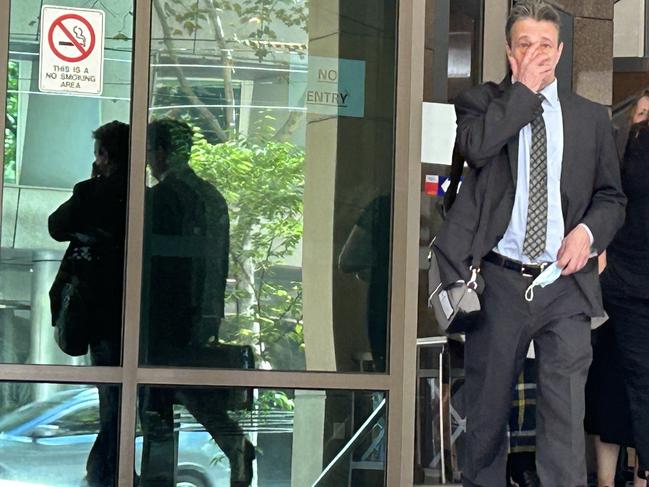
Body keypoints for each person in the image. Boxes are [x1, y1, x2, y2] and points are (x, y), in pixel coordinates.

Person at [432, 1, 626, 485]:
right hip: (498, 278)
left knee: (563, 418)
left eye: (544, 45)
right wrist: (523, 93)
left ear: (560, 51)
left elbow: (611, 197)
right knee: (486, 415)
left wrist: (587, 233)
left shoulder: (590, 118)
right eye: (524, 44)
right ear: (508, 50)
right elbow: (477, 148)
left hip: (565, 283)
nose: (536, 53)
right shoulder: (480, 103)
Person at [139, 119, 254, 487]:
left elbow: (151, 262)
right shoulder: (210, 196)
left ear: (161, 153)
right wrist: (209, 314)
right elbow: (217, 263)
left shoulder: (160, 199)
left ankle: (159, 478)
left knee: (157, 403)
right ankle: (234, 442)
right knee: (192, 390)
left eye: (148, 153)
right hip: (202, 314)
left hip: (164, 319)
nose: (147, 162)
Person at [48, 120, 130, 487]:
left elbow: (56, 225)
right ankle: (112, 470)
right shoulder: (141, 196)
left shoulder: (92, 193)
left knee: (111, 397)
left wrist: (93, 180)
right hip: (132, 312)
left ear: (105, 157)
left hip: (97, 313)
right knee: (125, 398)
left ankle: (103, 473)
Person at [585, 91, 649, 487]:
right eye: (642, 114)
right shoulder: (624, 150)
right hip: (623, 284)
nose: (645, 122)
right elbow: (605, 202)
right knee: (621, 385)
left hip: (625, 281)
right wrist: (604, 260)